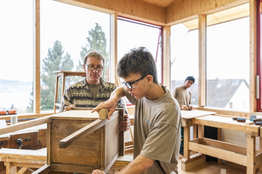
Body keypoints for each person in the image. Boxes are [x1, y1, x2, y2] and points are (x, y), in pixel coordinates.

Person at [92, 47, 181, 174]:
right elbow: (121, 90)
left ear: (149, 79)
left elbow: (145, 161)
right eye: (126, 84)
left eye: (130, 84)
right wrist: (113, 100)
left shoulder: (167, 111)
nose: (128, 89)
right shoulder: (142, 93)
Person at [60, 51, 130, 132]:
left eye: (99, 67)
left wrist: (126, 123)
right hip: (79, 137)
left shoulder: (113, 89)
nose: (95, 70)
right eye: (91, 66)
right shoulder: (71, 91)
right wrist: (66, 114)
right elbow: (60, 120)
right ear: (84, 67)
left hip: (106, 137)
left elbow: (123, 114)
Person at [172, 76, 195, 156]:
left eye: (191, 84)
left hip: (185, 116)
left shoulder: (189, 93)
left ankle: (183, 150)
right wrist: (181, 106)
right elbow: (171, 101)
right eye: (188, 82)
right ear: (185, 81)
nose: (189, 84)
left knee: (185, 134)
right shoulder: (177, 89)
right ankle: (180, 150)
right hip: (177, 115)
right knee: (180, 134)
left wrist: (190, 107)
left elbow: (188, 104)